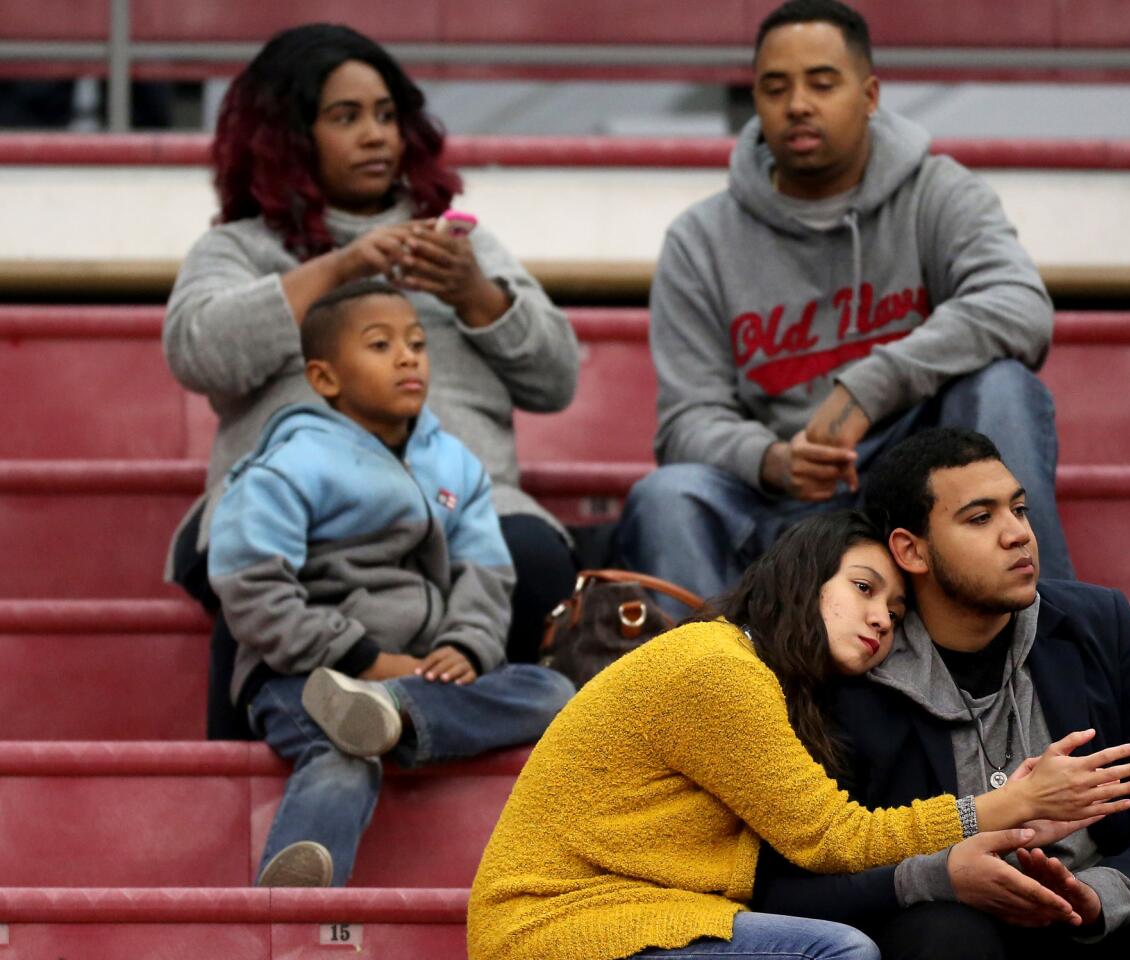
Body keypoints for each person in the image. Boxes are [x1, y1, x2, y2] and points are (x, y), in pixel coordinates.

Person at [467, 509, 1130, 960]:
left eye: (893, 608)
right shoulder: (715, 667)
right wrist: (998, 808)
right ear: (800, 578)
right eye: (861, 587)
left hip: (627, 916)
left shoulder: (749, 673)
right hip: (556, 928)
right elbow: (831, 838)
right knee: (840, 954)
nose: (881, 618)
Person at [163, 23, 580, 737]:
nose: (375, 135)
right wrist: (337, 270)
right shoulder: (238, 247)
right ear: (286, 136)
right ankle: (264, 771)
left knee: (534, 558)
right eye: (345, 116)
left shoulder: (460, 244)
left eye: (387, 116)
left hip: (455, 507)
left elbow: (557, 379)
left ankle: (413, 734)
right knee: (247, 564)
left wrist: (477, 296)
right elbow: (199, 354)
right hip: (301, 509)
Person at [751, 427, 1130, 959]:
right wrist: (940, 878)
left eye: (1020, 510)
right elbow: (786, 886)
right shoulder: (857, 665)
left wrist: (1098, 895)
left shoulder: (1099, 624)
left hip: (1102, 919)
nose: (1018, 534)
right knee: (944, 942)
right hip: (951, 926)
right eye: (980, 518)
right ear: (912, 551)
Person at [617, 0, 1072, 615]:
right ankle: (713, 696)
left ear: (870, 94)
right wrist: (774, 460)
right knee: (667, 495)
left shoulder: (937, 192)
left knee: (1002, 386)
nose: (798, 103)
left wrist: (866, 389)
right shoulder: (699, 240)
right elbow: (686, 422)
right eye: (775, 87)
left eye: (821, 82)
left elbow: (1018, 306)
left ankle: (1046, 641)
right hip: (780, 497)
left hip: (921, 483)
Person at [206, 281, 576, 887]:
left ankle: (393, 715)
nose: (408, 357)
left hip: (418, 676)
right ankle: (295, 905)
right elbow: (252, 588)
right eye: (380, 345)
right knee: (340, 758)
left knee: (553, 692)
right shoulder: (288, 464)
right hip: (305, 674)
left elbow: (484, 570)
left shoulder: (453, 461)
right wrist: (365, 659)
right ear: (325, 379)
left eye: (417, 343)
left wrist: (466, 645)